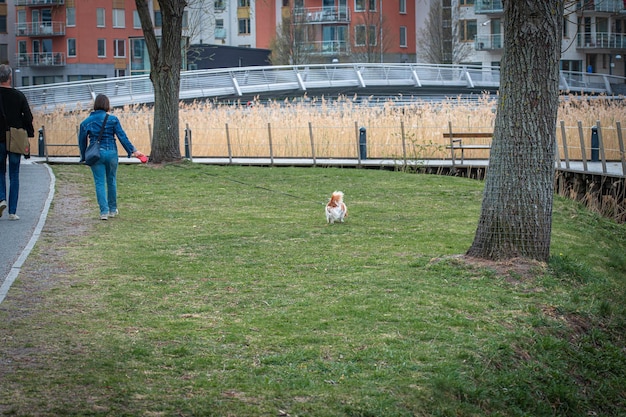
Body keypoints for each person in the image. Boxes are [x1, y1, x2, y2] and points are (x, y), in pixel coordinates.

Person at [78, 94, 146, 220]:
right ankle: (113, 210)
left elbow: (82, 141)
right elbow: (122, 137)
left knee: (99, 182)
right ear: (107, 105)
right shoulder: (113, 119)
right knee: (111, 180)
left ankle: (104, 212)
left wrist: (83, 156)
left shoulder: (86, 122)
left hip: (95, 155)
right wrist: (133, 151)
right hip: (112, 153)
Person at [0, 65, 35, 221]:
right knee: (14, 174)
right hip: (15, 138)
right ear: (10, 78)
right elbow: (28, 117)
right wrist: (28, 131)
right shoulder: (19, 96)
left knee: (0, 171)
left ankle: (1, 199)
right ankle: (12, 212)